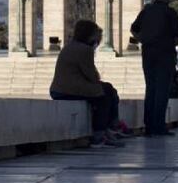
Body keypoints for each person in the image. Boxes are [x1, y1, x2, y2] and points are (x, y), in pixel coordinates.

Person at [49, 19, 125, 147]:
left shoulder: (70, 46)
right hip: (68, 90)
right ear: (90, 34)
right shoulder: (85, 50)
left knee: (106, 89)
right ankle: (102, 133)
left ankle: (110, 128)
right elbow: (92, 76)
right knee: (104, 93)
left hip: (59, 89)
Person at [130, 0, 178, 137]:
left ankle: (149, 126)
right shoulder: (169, 12)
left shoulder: (146, 11)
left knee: (151, 88)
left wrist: (143, 40)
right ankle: (158, 126)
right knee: (162, 90)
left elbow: (134, 29)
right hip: (165, 54)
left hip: (148, 53)